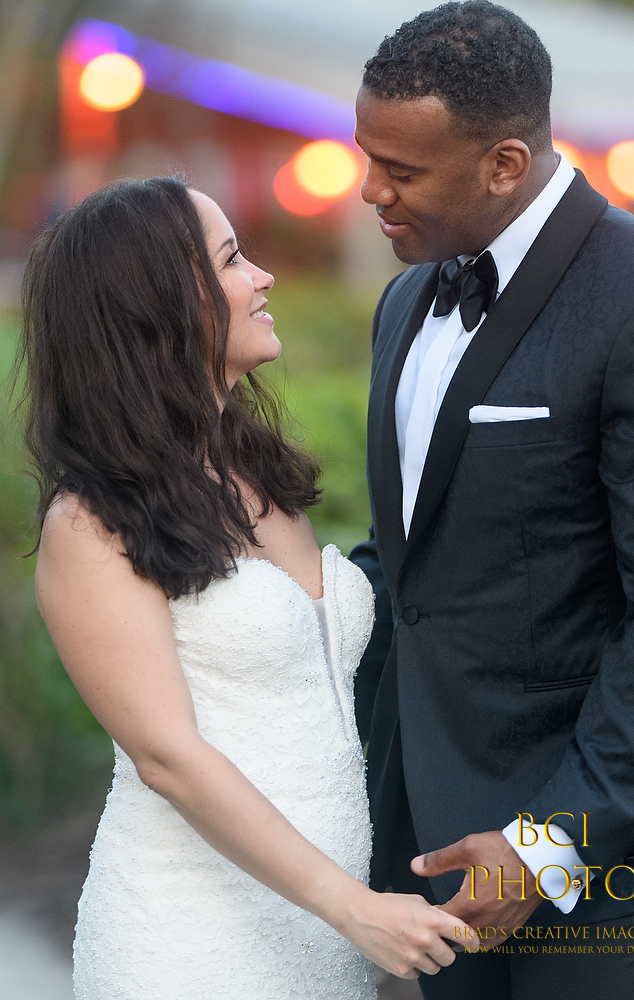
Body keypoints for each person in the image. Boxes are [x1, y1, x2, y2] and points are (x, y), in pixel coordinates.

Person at [18, 176, 474, 1000]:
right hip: (192, 942)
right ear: (157, 301)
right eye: (231, 260)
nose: (262, 277)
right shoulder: (91, 521)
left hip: (327, 933)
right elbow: (168, 756)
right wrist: (353, 907)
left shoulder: (256, 470)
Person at [351, 3, 634, 998]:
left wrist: (547, 844)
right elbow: (413, 564)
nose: (369, 189)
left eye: (400, 170)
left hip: (604, 870)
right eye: (367, 157)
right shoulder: (405, 299)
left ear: (503, 165)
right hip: (436, 854)